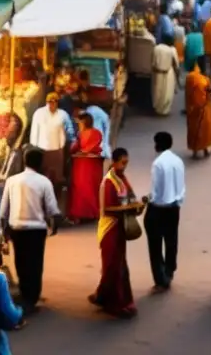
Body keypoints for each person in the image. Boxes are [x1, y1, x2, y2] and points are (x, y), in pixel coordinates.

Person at [0, 148, 59, 314]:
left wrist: (3, 229)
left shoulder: (12, 180)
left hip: (17, 228)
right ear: (39, 163)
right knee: (35, 263)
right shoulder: (44, 181)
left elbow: (4, 208)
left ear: (25, 161)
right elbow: (52, 208)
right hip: (36, 230)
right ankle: (32, 298)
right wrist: (54, 224)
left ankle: (25, 295)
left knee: (21, 261)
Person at [90, 148, 140, 318]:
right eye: (123, 162)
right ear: (114, 161)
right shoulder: (109, 181)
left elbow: (131, 197)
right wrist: (128, 207)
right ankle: (114, 303)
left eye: (126, 163)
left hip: (119, 227)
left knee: (119, 265)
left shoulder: (122, 178)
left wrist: (137, 205)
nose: (125, 166)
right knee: (112, 266)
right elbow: (107, 208)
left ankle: (106, 297)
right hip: (109, 228)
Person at [144, 131, 185, 291]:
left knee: (154, 244)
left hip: (158, 207)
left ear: (157, 145)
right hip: (174, 206)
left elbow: (155, 190)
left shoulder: (158, 164)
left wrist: (147, 199)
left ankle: (161, 278)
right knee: (171, 239)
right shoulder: (178, 161)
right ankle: (170, 269)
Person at [28, 93, 72, 198]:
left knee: (57, 177)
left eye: (55, 101)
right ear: (46, 102)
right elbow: (34, 131)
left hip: (57, 150)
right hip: (42, 149)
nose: (52, 104)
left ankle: (55, 196)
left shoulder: (62, 114)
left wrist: (62, 146)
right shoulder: (39, 113)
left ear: (58, 103)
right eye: (50, 102)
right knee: (43, 174)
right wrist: (34, 146)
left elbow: (63, 131)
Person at [68, 114, 104, 223]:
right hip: (92, 164)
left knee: (80, 188)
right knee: (92, 188)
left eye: (80, 122)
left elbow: (74, 148)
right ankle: (94, 213)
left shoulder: (82, 134)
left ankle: (80, 214)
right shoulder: (96, 133)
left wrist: (79, 151)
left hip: (82, 164)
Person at [186, 55, 211, 157]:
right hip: (204, 108)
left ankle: (194, 151)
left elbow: (187, 93)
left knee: (193, 129)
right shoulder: (205, 80)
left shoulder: (190, 78)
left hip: (192, 108)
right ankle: (205, 149)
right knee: (204, 130)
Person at [151, 34, 181, 116]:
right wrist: (178, 79)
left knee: (157, 91)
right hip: (168, 72)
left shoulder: (156, 48)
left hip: (157, 72)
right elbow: (176, 64)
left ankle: (157, 109)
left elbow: (152, 62)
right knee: (167, 92)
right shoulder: (171, 50)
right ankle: (164, 110)